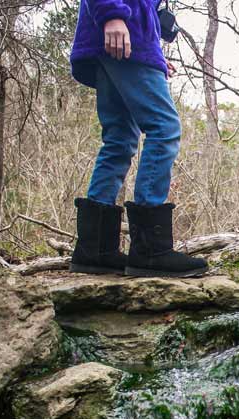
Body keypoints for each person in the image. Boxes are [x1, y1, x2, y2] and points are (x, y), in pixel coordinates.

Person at [68, 0, 206, 277]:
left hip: (124, 39)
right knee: (164, 128)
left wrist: (153, 51)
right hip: (122, 33)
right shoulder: (115, 18)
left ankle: (95, 251)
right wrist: (112, 16)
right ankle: (150, 250)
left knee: (119, 139)